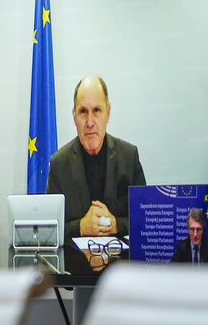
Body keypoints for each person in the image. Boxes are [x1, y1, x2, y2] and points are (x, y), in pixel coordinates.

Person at [47, 75, 146, 238]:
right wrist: (80, 227)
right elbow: (50, 229)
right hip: (74, 262)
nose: (90, 122)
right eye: (83, 112)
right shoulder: (59, 164)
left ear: (108, 112)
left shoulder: (129, 157)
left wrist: (115, 224)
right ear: (74, 116)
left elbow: (145, 221)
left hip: (121, 261)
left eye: (97, 111)